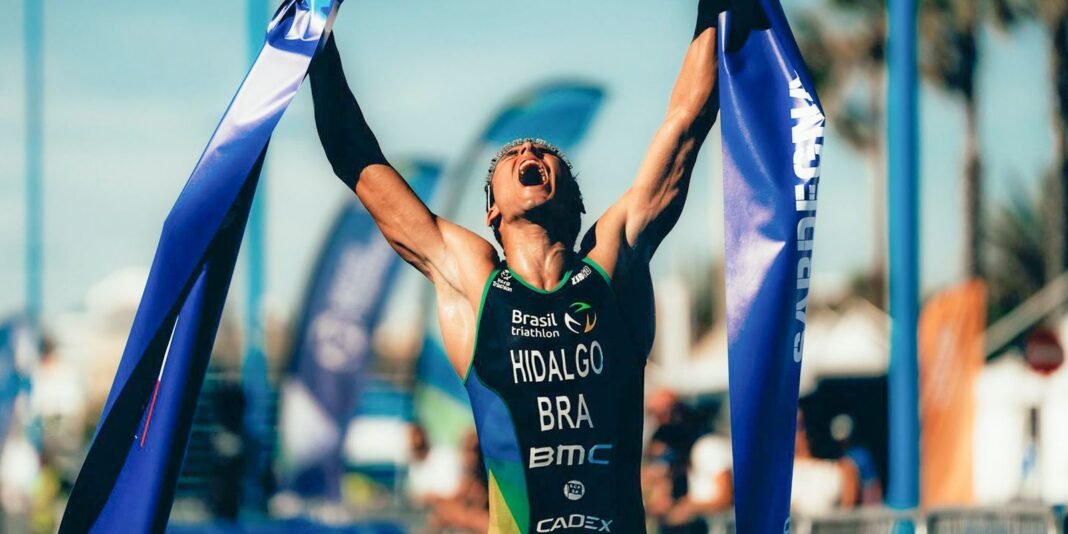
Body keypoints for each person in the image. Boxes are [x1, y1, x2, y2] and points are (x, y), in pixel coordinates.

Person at [308, 0, 723, 529]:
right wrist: (315, 38)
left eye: (549, 154)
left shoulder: (612, 264)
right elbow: (356, 158)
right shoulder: (473, 283)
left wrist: (717, 9)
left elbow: (687, 121)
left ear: (576, 203)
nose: (528, 147)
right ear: (492, 212)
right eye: (510, 157)